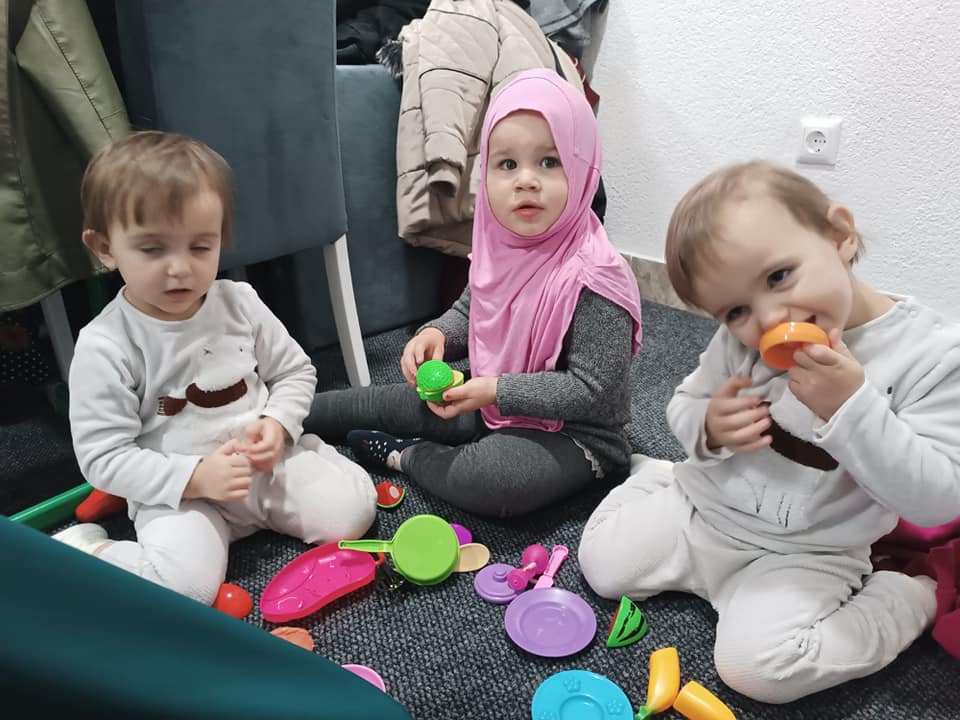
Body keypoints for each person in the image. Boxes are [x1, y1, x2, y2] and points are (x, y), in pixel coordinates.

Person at [578, 160, 960, 703]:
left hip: (809, 552)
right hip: (702, 511)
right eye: (736, 310)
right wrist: (708, 427)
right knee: (601, 567)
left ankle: (907, 599)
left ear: (840, 236)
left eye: (779, 276)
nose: (769, 318)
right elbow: (683, 403)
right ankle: (654, 477)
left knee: (758, 671)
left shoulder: (932, 357)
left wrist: (852, 407)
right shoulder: (744, 343)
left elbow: (936, 500)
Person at [54, 131, 377, 605]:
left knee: (353, 514)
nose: (180, 268)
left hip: (263, 468)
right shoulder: (106, 345)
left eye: (200, 247)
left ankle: (309, 463)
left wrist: (277, 423)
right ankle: (93, 550)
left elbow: (294, 373)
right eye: (152, 249)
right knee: (185, 590)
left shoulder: (239, 303)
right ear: (104, 246)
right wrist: (194, 478)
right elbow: (103, 457)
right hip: (180, 495)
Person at [305, 69, 643, 518]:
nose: (526, 181)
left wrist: (496, 391)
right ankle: (287, 412)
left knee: (492, 483)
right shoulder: (503, 246)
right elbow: (472, 307)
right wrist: (436, 334)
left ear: (583, 168)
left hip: (576, 433)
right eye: (507, 165)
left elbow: (592, 391)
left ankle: (404, 454)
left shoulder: (597, 278)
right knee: (386, 400)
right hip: (493, 397)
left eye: (549, 161)